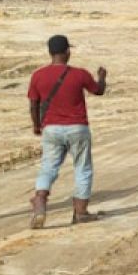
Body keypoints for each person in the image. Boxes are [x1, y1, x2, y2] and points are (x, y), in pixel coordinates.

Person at [26, 35, 108, 228]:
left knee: (48, 166)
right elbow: (98, 91)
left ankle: (39, 201)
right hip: (77, 128)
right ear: (67, 52)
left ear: (50, 53)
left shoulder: (38, 75)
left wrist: (37, 125)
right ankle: (80, 212)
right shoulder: (79, 74)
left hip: (51, 128)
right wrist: (102, 77)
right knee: (82, 168)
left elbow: (33, 104)